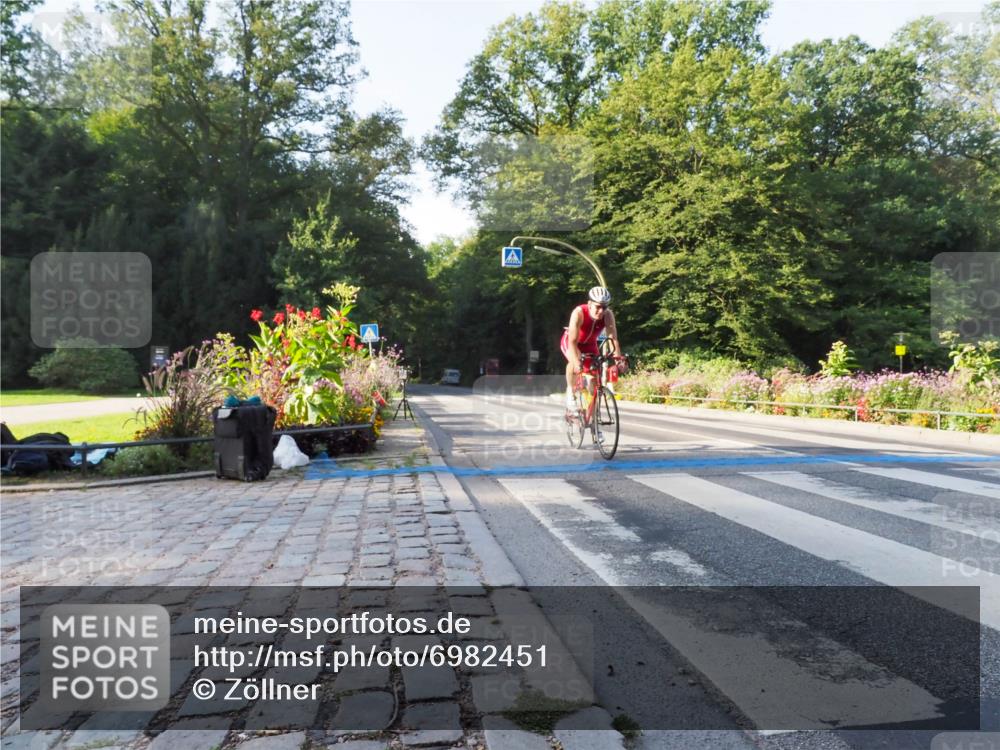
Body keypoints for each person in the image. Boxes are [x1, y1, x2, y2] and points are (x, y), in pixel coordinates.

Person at [561, 286, 625, 411]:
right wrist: (577, 362)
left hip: (590, 344)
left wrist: (618, 360)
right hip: (572, 342)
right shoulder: (579, 313)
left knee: (595, 379)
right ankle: (570, 392)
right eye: (598, 307)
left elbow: (613, 339)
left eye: (604, 307)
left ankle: (591, 416)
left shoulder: (608, 315)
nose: (601, 311)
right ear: (590, 304)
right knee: (574, 362)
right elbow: (572, 342)